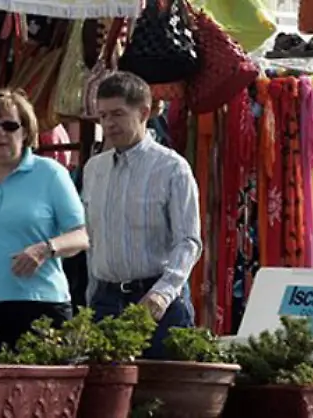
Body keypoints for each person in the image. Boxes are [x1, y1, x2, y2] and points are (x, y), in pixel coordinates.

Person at [0, 89, 89, 358]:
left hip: (39, 306)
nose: (0, 133)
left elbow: (81, 236)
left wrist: (44, 249)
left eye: (10, 125)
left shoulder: (51, 174)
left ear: (25, 132)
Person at [82, 72, 202, 359]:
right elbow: (93, 238)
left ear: (144, 112)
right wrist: (92, 296)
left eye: (118, 114)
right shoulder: (93, 169)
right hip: (105, 301)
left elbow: (188, 241)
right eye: (103, 116)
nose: (109, 124)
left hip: (157, 298)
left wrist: (163, 293)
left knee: (164, 396)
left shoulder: (172, 168)